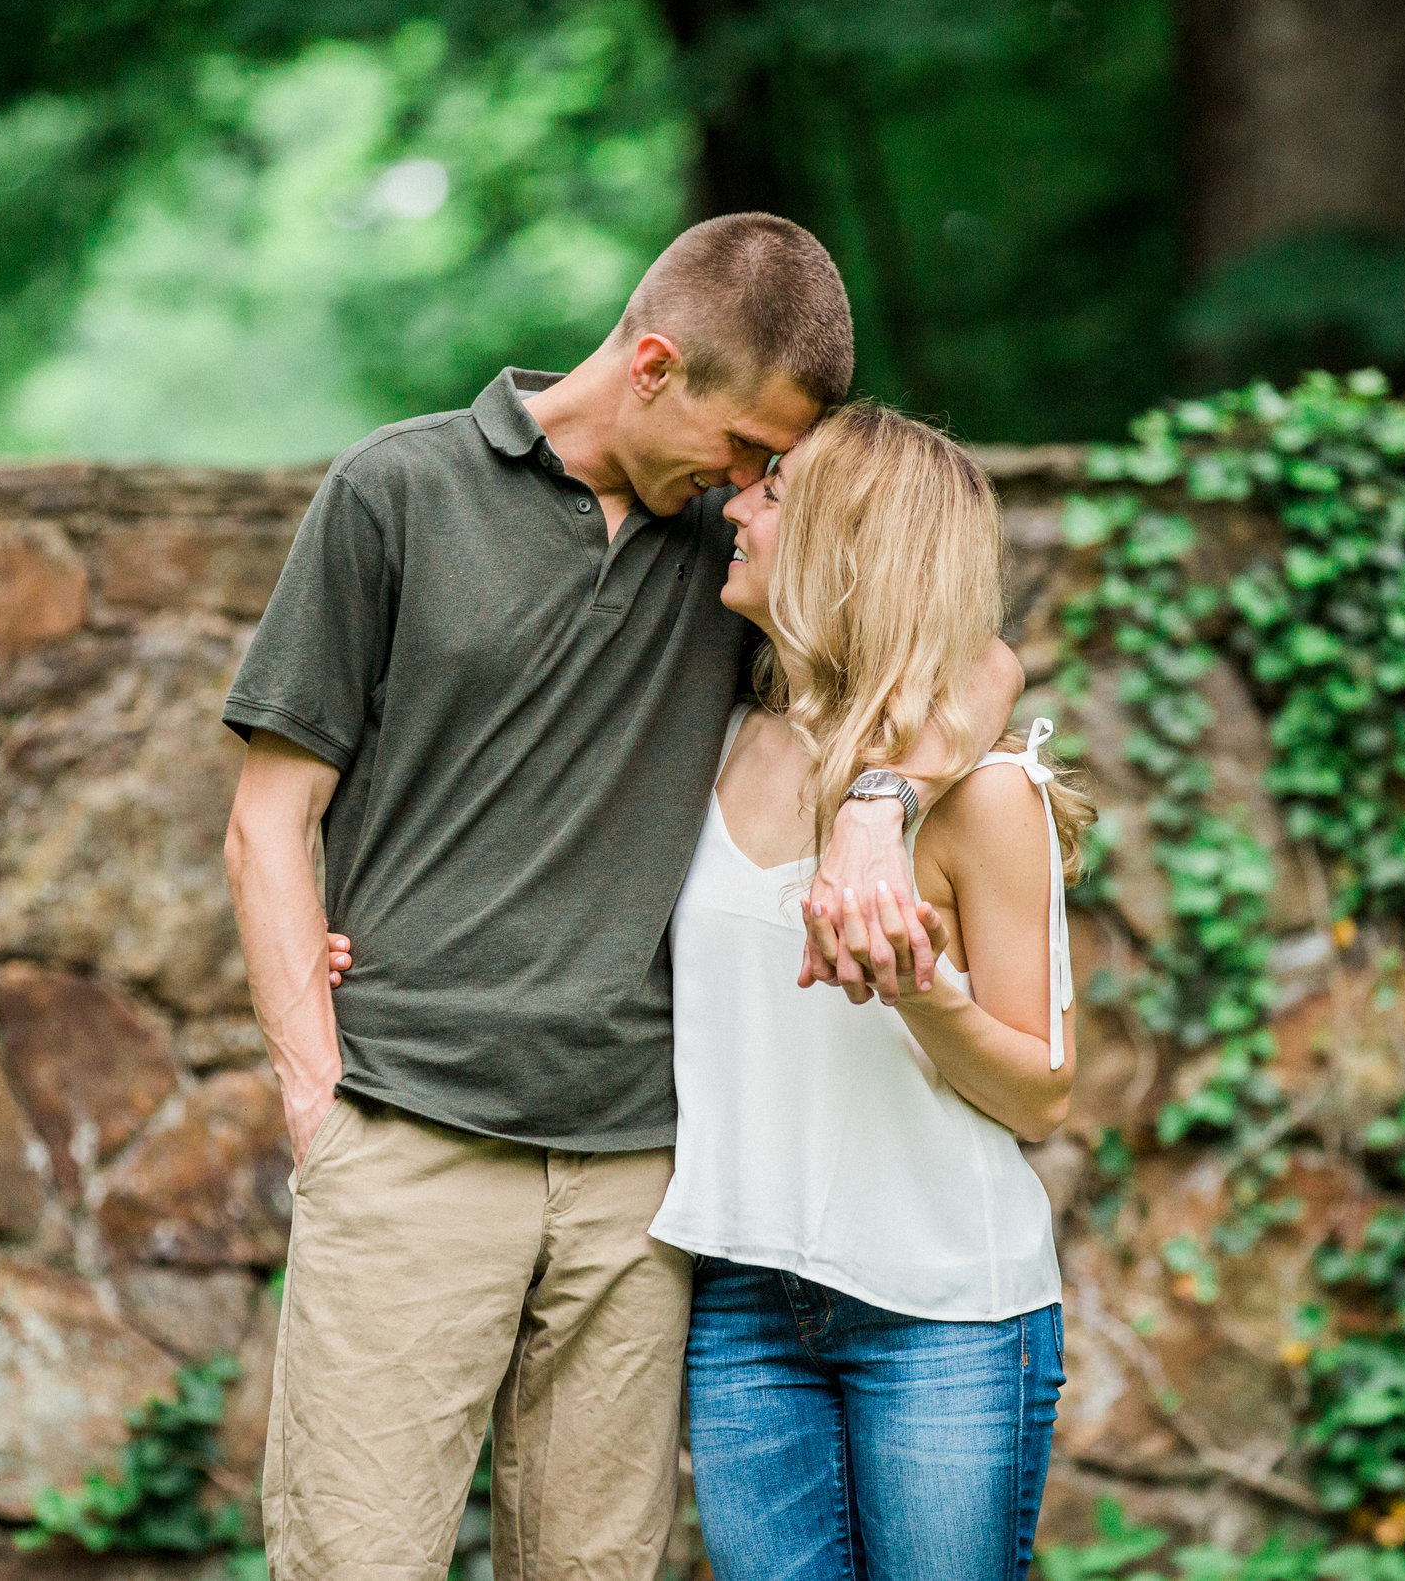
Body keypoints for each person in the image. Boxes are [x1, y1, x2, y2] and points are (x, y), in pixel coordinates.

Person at [218, 213, 1022, 1581]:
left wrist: (881, 816)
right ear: (655, 364)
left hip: (639, 1177)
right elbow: (267, 819)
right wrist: (318, 1100)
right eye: (749, 446)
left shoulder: (727, 545)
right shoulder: (395, 492)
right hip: (412, 1132)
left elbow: (976, 658)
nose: (760, 479)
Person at [648, 403, 1095, 1581]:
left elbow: (1043, 1098)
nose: (733, 504)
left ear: (853, 544)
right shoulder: (715, 742)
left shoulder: (987, 798)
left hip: (943, 1315)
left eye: (775, 492)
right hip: (740, 1303)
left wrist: (921, 989)